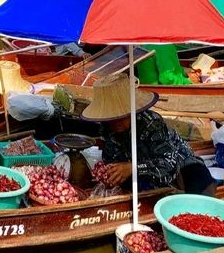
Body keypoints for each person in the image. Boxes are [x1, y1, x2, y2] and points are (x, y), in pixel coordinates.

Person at [82, 73, 215, 195]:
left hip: (180, 165)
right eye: (112, 117)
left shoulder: (151, 123)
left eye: (122, 116)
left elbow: (168, 164)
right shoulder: (107, 129)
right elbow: (112, 159)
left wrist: (133, 167)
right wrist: (112, 173)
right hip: (142, 173)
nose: (116, 122)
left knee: (200, 192)